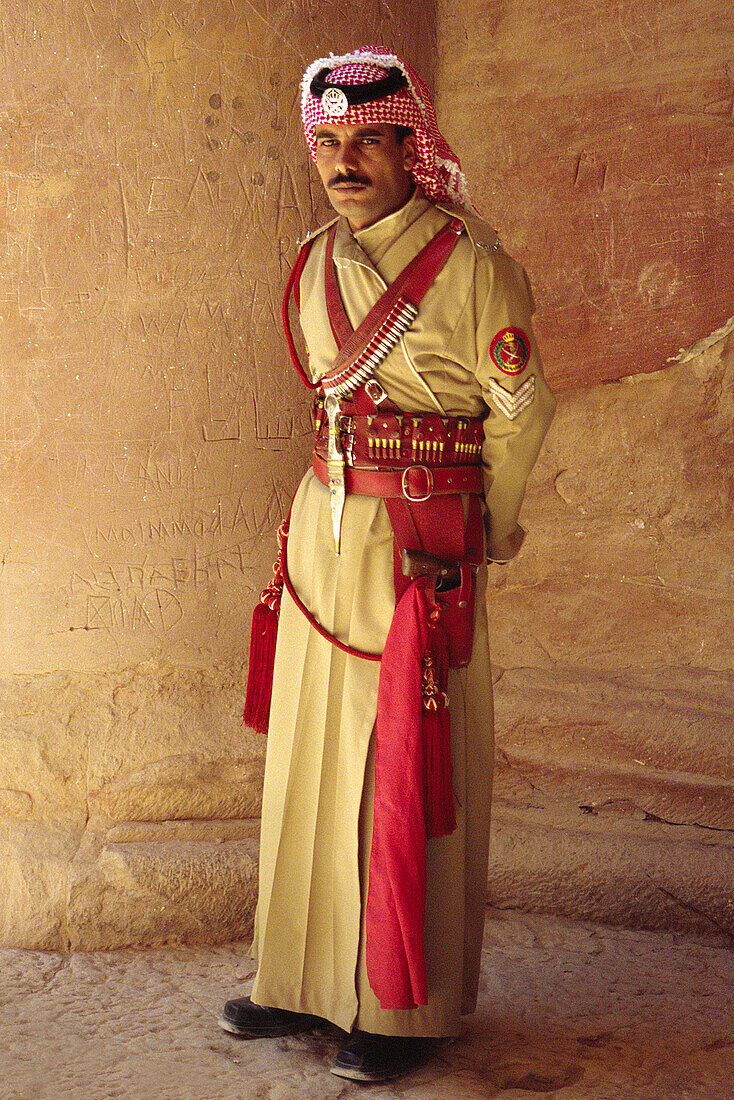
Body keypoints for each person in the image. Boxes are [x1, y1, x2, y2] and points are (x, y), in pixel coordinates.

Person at [218, 46, 555, 1083]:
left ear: (412, 144)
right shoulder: (313, 258)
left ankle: (398, 1008)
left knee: (401, 763)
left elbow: (521, 409)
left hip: (418, 549)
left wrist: (483, 533)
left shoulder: (472, 266)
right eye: (328, 142)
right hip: (320, 530)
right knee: (307, 761)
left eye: (367, 139)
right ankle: (297, 979)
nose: (344, 160)